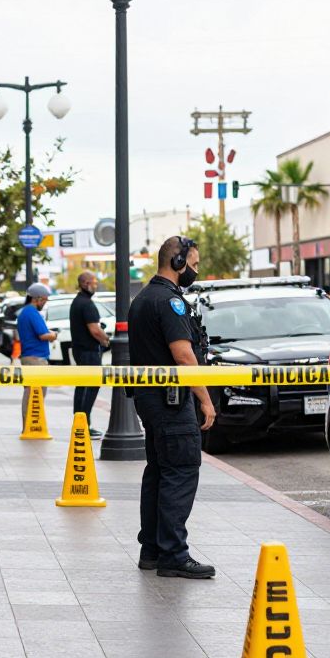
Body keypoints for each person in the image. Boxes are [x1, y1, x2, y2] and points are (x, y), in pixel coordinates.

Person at [128, 235, 217, 580]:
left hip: (150, 402)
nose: (195, 271)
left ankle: (151, 549)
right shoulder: (170, 302)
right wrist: (205, 399)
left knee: (159, 472)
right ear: (177, 263)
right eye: (193, 265)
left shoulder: (143, 298)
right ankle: (173, 555)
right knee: (180, 471)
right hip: (171, 401)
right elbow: (183, 356)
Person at [70, 271, 111, 438]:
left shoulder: (77, 302)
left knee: (82, 387)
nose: (95, 285)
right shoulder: (87, 304)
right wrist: (106, 340)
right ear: (85, 283)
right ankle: (85, 424)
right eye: (93, 282)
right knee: (91, 387)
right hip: (89, 352)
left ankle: (80, 423)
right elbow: (95, 330)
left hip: (80, 350)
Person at [16, 283, 57, 427]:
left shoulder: (24, 313)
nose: (44, 303)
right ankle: (30, 426)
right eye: (44, 300)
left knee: (32, 392)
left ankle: (30, 425)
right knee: (35, 394)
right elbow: (42, 335)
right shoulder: (32, 313)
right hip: (36, 359)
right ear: (36, 299)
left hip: (29, 357)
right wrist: (53, 335)